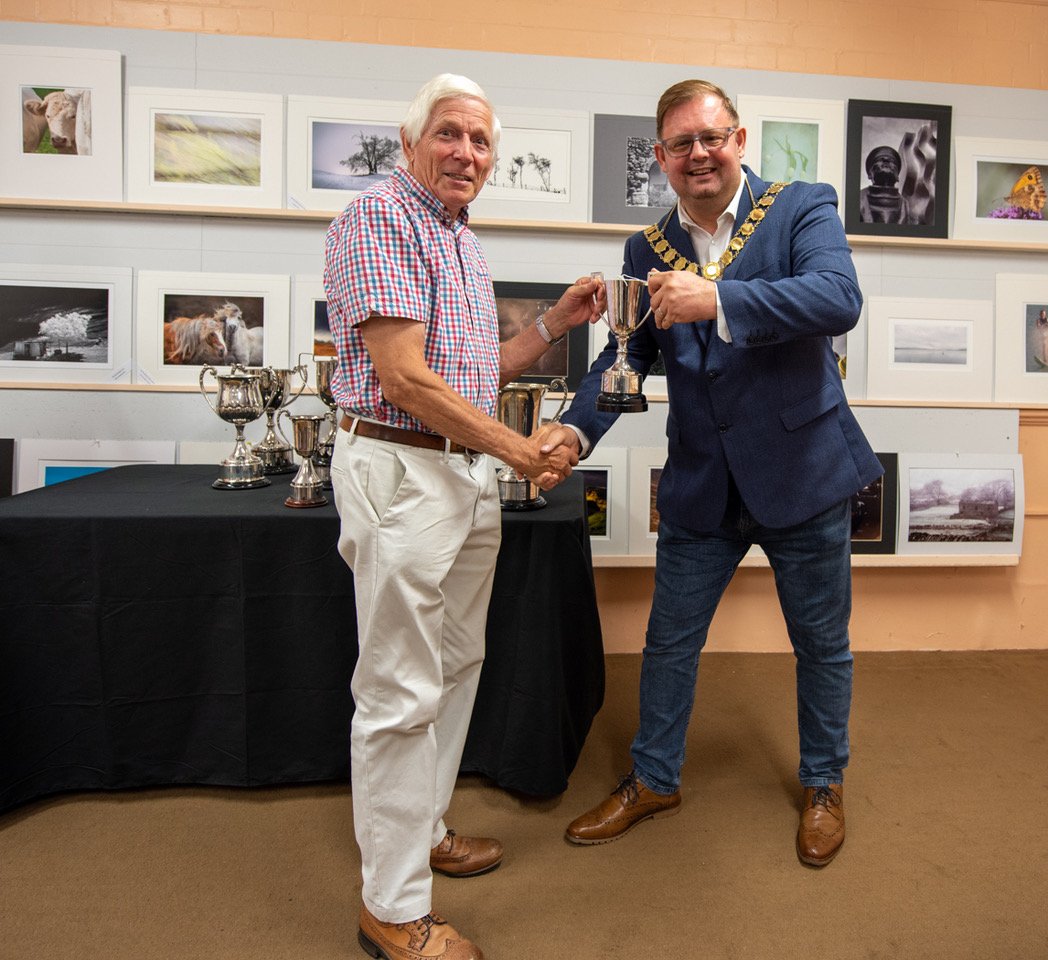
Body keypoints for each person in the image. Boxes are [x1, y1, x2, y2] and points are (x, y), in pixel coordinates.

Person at [555, 79, 882, 868]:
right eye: (680, 144)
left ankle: (823, 783)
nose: (698, 154)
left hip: (803, 475)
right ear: (661, 159)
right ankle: (654, 778)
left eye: (711, 138)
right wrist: (570, 432)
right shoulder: (645, 248)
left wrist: (719, 300)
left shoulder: (803, 206)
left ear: (739, 141)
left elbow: (839, 298)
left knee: (820, 645)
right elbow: (624, 355)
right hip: (703, 481)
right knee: (669, 642)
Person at [323, 74, 602, 959]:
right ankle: (393, 907)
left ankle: (422, 828)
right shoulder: (379, 219)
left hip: (456, 477)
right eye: (450, 135)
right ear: (410, 143)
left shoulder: (456, 236)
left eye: (482, 141)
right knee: (400, 689)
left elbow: (473, 372)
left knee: (452, 667)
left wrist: (555, 321)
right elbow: (405, 380)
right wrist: (520, 452)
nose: (467, 154)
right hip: (404, 473)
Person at [858, 144, 917, 224]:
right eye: (879, 159)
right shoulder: (858, 199)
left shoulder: (906, 206)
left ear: (897, 176)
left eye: (892, 161)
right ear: (870, 174)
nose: (886, 160)